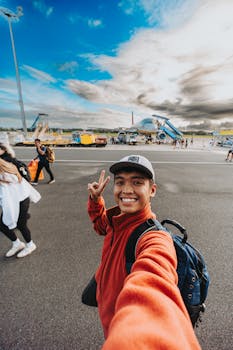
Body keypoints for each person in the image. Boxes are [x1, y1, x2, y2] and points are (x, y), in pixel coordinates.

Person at [87, 155, 201, 349]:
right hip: (111, 313)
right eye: (120, 182)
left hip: (123, 319)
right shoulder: (117, 218)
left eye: (137, 182)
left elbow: (153, 284)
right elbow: (100, 226)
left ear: (152, 190)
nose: (126, 190)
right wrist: (95, 199)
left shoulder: (154, 238)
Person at [0, 158, 41, 258]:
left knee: (20, 224)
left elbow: (7, 196)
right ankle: (17, 244)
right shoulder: (6, 167)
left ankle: (30, 245)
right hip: (15, 200)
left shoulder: (5, 173)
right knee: (2, 224)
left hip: (20, 200)